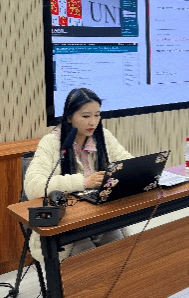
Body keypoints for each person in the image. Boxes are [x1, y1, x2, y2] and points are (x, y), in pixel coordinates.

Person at [24, 87, 133, 262]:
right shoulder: (51, 142)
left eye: (97, 115)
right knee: (88, 264)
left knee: (121, 256)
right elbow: (33, 186)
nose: (93, 122)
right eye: (86, 116)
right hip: (66, 226)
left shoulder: (103, 136)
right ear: (69, 117)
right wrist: (83, 182)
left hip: (101, 216)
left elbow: (128, 164)